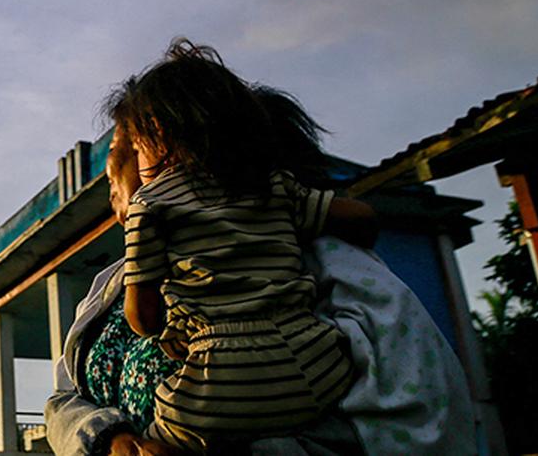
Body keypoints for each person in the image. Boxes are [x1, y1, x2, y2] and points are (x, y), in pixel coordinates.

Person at [44, 49, 476, 455]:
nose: (113, 178)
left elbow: (416, 420)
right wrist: (111, 441)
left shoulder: (322, 262)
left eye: (127, 151)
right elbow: (63, 400)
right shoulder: (111, 283)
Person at [102, 40, 374, 452]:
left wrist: (168, 327)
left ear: (157, 135)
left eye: (135, 147)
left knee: (155, 442)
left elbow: (141, 316)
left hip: (219, 379)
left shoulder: (151, 205)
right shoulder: (275, 186)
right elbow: (363, 218)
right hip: (316, 367)